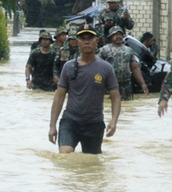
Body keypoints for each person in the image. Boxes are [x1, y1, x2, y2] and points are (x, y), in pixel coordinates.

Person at [48, 23, 121, 154]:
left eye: (90, 38)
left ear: (96, 41)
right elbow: (59, 96)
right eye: (83, 39)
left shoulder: (106, 68)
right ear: (77, 42)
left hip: (94, 123)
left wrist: (114, 121)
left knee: (92, 163)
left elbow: (115, 97)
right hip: (70, 121)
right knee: (65, 156)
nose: (86, 42)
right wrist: (52, 125)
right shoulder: (68, 67)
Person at [98, 26, 149, 100]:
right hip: (108, 86)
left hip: (125, 88)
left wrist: (143, 84)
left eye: (120, 34)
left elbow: (135, 68)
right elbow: (97, 68)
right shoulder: (104, 50)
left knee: (127, 107)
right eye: (115, 34)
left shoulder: (129, 50)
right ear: (111, 37)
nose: (118, 36)